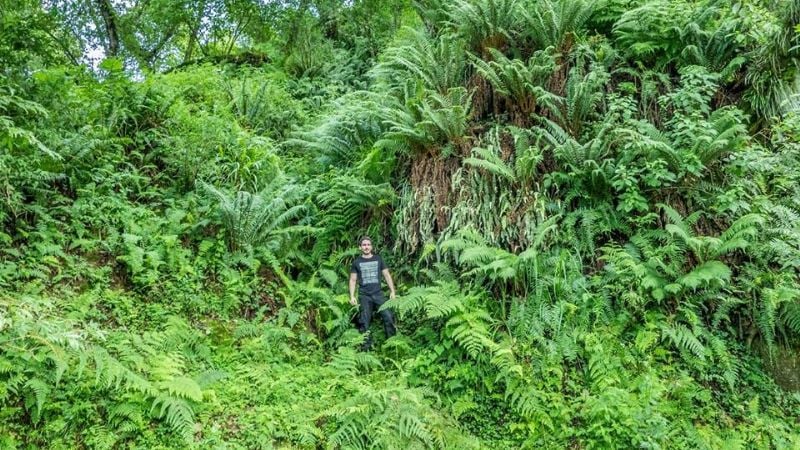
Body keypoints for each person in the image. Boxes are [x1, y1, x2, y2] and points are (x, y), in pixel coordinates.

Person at [349, 236, 396, 350]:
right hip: (364, 296)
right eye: (364, 245)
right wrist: (352, 296)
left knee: (388, 316)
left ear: (371, 246)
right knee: (364, 322)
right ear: (360, 247)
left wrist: (392, 291)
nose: (366, 247)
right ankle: (366, 348)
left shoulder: (378, 259)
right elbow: (353, 280)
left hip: (378, 294)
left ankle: (392, 345)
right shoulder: (357, 262)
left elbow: (386, 275)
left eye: (368, 245)